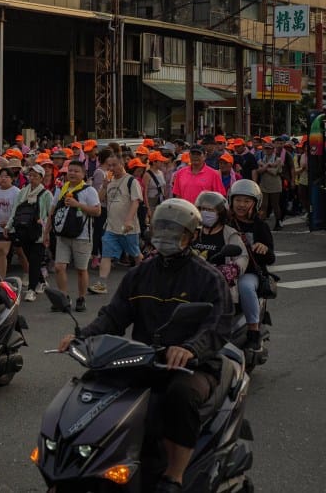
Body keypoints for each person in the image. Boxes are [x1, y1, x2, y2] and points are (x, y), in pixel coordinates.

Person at [58, 199, 232, 492]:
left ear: (191, 236)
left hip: (193, 366)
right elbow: (113, 316)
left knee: (180, 396)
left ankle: (174, 475)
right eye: (161, 229)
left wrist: (190, 349)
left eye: (174, 231)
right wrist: (82, 336)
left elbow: (217, 325)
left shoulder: (207, 277)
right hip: (145, 359)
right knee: (95, 384)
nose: (166, 236)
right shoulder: (140, 274)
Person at [43, 160, 101, 313]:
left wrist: (78, 204)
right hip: (63, 235)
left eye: (76, 171)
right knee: (59, 267)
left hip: (82, 236)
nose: (72, 173)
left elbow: (97, 211)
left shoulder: (89, 191)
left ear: (83, 174)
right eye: (70, 171)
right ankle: (63, 297)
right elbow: (52, 211)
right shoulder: (61, 188)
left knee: (81, 269)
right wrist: (46, 232)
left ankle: (81, 298)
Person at [226, 180, 274, 350]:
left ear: (255, 203)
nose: (241, 205)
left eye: (246, 201)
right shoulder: (224, 222)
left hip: (249, 273)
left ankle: (253, 331)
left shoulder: (260, 226)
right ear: (231, 200)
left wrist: (263, 249)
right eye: (238, 200)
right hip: (223, 269)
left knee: (245, 286)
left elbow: (271, 258)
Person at [92, 155, 144, 295]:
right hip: (111, 226)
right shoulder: (110, 181)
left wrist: (128, 220)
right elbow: (99, 199)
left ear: (122, 164)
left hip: (128, 228)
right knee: (106, 255)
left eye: (114, 165)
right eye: (109, 165)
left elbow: (135, 202)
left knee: (135, 254)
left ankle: (146, 277)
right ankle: (102, 284)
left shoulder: (131, 181)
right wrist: (104, 186)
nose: (111, 168)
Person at [6, 165, 53, 302]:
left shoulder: (46, 194)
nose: (32, 178)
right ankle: (41, 281)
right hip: (23, 231)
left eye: (35, 176)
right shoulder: (23, 192)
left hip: (39, 233)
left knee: (34, 260)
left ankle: (31, 289)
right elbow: (15, 210)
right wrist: (9, 226)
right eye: (30, 175)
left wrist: (46, 231)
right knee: (32, 260)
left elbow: (50, 215)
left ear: (41, 178)